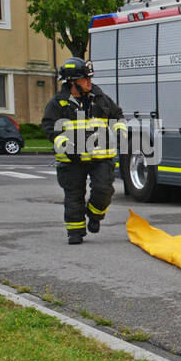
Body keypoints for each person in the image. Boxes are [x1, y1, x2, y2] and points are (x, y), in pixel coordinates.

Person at [40, 57, 126, 245]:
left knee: (104, 189)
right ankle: (75, 232)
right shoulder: (58, 104)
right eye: (85, 79)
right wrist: (65, 145)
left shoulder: (100, 98)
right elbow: (49, 127)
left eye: (90, 78)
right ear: (72, 82)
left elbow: (118, 116)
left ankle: (95, 215)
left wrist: (120, 132)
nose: (89, 82)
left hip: (101, 157)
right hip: (72, 160)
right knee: (74, 195)